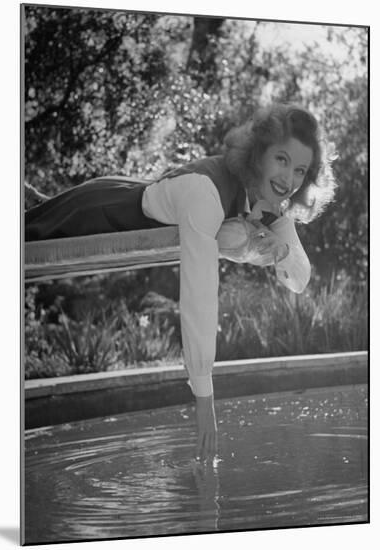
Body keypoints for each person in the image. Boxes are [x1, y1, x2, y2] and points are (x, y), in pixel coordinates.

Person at [25, 102, 337, 462]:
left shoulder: (271, 203)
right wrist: (205, 402)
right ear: (259, 153)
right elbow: (199, 298)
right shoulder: (205, 192)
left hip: (122, 191)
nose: (289, 179)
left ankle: (38, 202)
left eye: (300, 169)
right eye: (281, 159)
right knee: (22, 230)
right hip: (100, 211)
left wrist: (278, 251)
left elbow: (300, 277)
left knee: (35, 212)